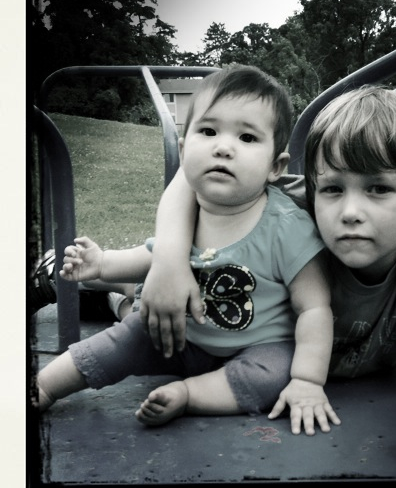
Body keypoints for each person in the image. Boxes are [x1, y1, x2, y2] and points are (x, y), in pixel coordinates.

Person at [140, 85, 396, 461]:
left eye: (378, 188)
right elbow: (190, 178)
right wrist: (169, 262)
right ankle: (120, 293)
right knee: (142, 302)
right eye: (334, 188)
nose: (350, 211)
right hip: (208, 318)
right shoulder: (294, 209)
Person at [34, 65, 341, 436]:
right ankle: (43, 386)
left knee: (273, 375)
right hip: (181, 336)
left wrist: (308, 379)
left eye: (247, 137)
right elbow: (155, 258)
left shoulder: (287, 227)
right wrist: (102, 264)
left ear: (275, 167)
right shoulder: (187, 213)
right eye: (208, 131)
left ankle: (188, 394)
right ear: (183, 150)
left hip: (258, 346)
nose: (223, 147)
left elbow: (314, 307)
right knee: (125, 339)